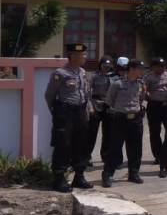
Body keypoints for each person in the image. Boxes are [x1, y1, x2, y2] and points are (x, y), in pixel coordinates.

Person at [44, 43, 93, 192]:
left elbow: (85, 92)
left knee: (81, 144)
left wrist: (88, 107)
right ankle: (59, 179)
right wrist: (58, 113)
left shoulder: (83, 72)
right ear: (72, 56)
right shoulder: (60, 73)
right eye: (82, 55)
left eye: (85, 54)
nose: (85, 57)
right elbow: (49, 95)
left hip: (80, 112)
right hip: (65, 112)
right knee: (63, 144)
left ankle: (79, 177)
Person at [102, 59, 146, 187]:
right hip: (120, 118)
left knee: (135, 148)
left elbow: (142, 98)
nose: (142, 71)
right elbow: (109, 101)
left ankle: (134, 173)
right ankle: (107, 174)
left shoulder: (141, 83)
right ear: (131, 69)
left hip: (136, 119)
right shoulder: (117, 84)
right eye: (140, 68)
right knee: (115, 148)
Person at [86, 55, 115, 167]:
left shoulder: (114, 77)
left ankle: (106, 156)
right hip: (96, 105)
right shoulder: (94, 76)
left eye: (108, 66)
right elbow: (87, 92)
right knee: (91, 133)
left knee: (108, 134)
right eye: (104, 65)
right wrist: (90, 106)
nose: (106, 68)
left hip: (109, 106)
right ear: (100, 65)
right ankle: (86, 156)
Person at [144, 57, 167, 163]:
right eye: (159, 66)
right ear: (153, 67)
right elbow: (145, 92)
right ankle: (158, 155)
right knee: (155, 131)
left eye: (163, 66)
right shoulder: (148, 77)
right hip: (154, 106)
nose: (161, 68)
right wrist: (151, 98)